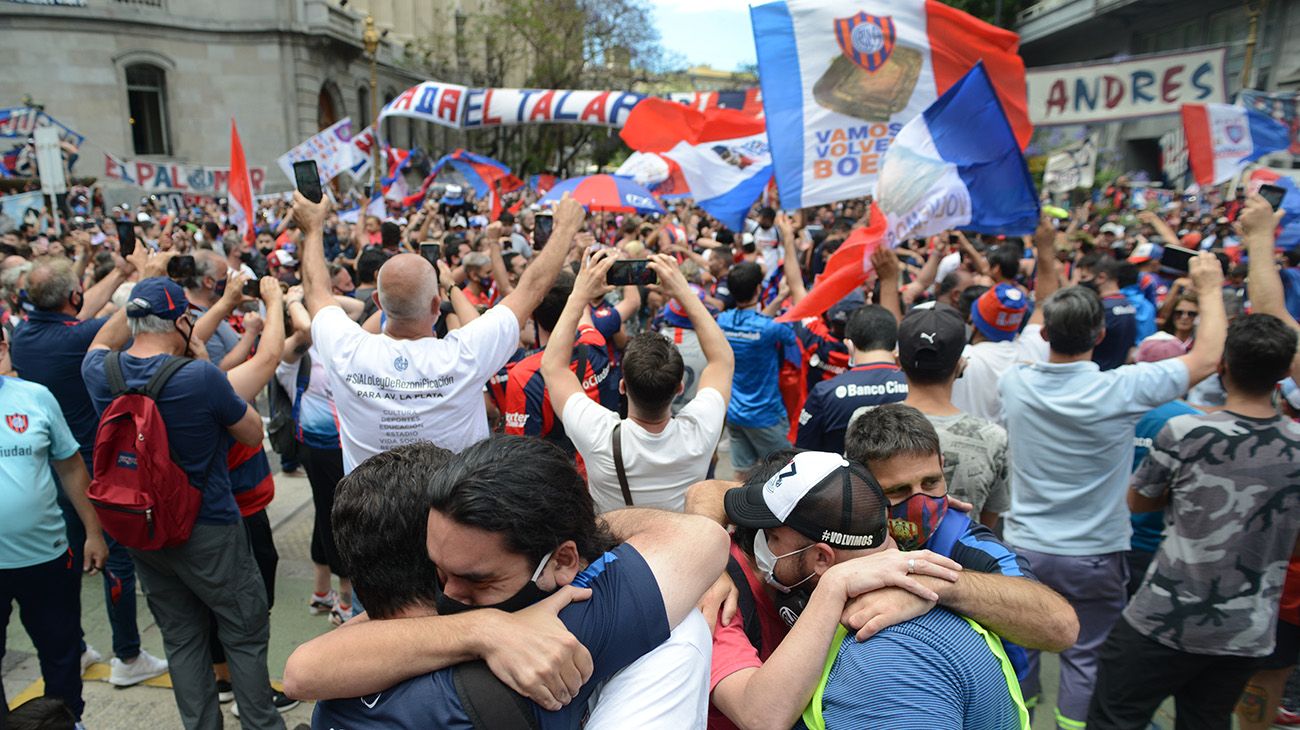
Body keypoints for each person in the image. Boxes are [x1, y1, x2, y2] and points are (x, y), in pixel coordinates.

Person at [288, 436, 728, 728]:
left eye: (475, 578)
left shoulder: (338, 685)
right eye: (441, 574)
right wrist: (487, 628)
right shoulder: (558, 633)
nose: (450, 594)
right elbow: (701, 537)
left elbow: (300, 671)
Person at [998, 252, 1227, 730]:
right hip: (1095, 555)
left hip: (1025, 549)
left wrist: (1046, 251)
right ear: (1101, 336)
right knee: (1086, 655)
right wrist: (1208, 286)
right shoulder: (1123, 389)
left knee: (1021, 647)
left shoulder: (1015, 383)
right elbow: (1206, 358)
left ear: (1044, 336)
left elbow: (1040, 316)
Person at [81, 277, 281, 730]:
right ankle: (261, 724)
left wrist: (134, 297)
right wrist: (199, 354)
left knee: (181, 638)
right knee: (244, 633)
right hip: (208, 525)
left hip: (140, 526)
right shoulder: (199, 376)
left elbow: (98, 341)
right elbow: (251, 432)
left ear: (132, 320)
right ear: (182, 321)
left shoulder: (98, 372)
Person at [1088, 314, 1300, 729]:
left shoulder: (1186, 431)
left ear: (1223, 367)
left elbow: (1140, 502)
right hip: (1247, 629)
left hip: (1164, 617)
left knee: (1114, 717)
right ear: (1281, 376)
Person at [721, 451, 1030, 729]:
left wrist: (832, 587)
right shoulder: (931, 599)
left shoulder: (878, 663)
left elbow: (763, 717)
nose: (759, 546)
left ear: (821, 558)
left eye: (773, 537)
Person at [291, 190, 583, 471]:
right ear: (436, 304)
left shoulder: (346, 351)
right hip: (453, 515)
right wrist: (565, 229)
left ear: (379, 302)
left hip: (371, 517)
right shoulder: (465, 355)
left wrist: (313, 229)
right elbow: (531, 289)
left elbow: (317, 293)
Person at [10, 254, 168, 687]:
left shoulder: (22, 336)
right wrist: (148, 276)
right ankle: (128, 655)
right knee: (116, 561)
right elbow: (118, 319)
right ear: (74, 297)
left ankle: (77, 648)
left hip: (51, 474)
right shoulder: (79, 337)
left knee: (69, 562)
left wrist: (119, 272)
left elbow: (77, 311)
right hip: (90, 472)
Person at [545, 251, 732, 513]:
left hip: (615, 549)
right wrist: (683, 292)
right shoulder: (699, 432)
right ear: (679, 388)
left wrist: (579, 295)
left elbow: (553, 367)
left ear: (622, 386)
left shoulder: (598, 435)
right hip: (677, 548)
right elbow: (722, 360)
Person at [0, 370, 107, 724]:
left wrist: (94, 531)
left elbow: (71, 467)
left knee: (61, 651)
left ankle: (66, 720)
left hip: (46, 554)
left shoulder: (35, 397)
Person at [896, 305, 1009, 525]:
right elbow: (986, 523)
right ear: (961, 365)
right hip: (963, 558)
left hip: (887, 559)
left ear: (897, 362)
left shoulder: (864, 423)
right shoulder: (994, 438)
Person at [503, 270, 617, 453]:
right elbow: (583, 315)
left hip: (561, 477)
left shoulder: (524, 375)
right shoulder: (595, 343)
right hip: (604, 463)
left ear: (532, 315)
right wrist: (581, 292)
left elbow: (520, 453)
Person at [717, 262, 800, 474]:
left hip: (735, 414)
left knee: (742, 474)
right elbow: (793, 335)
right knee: (785, 472)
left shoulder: (722, 321)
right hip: (766, 416)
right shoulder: (771, 329)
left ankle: (736, 508)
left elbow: (756, 321)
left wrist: (779, 297)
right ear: (758, 290)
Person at [794, 304, 907, 454]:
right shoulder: (914, 386)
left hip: (843, 475)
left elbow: (804, 454)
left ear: (849, 345)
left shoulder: (825, 393)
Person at [1076, 253, 1137, 370]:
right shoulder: (1128, 305)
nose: (1080, 282)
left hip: (1095, 376)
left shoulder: (1100, 309)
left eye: (1084, 277)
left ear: (1101, 278)